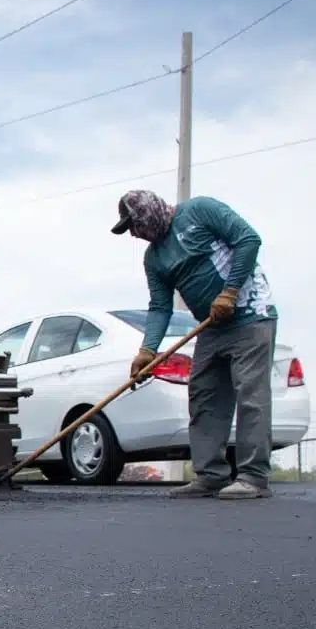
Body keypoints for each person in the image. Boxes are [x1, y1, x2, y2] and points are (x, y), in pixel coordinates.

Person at [112, 189, 279, 499]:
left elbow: (248, 240)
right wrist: (147, 351)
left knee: (250, 396)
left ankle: (253, 477)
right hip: (213, 327)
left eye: (135, 225)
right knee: (204, 395)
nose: (135, 234)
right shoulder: (153, 258)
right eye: (130, 230)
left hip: (249, 314)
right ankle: (211, 475)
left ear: (151, 212)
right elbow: (160, 307)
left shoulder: (201, 210)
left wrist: (230, 292)